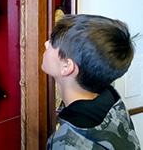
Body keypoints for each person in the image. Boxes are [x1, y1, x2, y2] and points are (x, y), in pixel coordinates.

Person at [42, 14, 141, 149]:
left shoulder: (67, 143)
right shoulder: (114, 106)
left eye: (53, 42)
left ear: (67, 66)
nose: (46, 44)